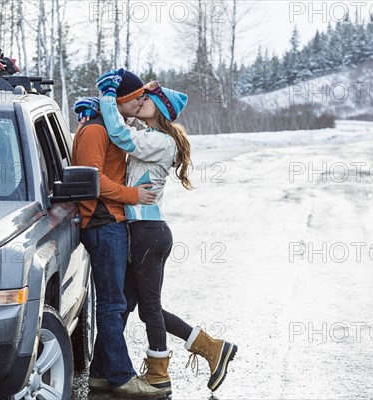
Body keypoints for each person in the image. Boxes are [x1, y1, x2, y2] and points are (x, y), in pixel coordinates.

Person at [95, 68, 238, 395]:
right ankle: (103, 368)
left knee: (149, 308)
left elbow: (120, 135)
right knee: (127, 304)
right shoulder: (152, 135)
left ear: (159, 108)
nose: (140, 100)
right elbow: (122, 124)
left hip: (149, 233)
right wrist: (98, 107)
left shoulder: (159, 142)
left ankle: (163, 371)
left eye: (146, 98)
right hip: (145, 231)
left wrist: (105, 95)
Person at [71, 70, 168, 398]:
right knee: (113, 304)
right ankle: (122, 377)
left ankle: (100, 373)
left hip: (113, 223)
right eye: (137, 97)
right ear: (122, 100)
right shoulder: (95, 130)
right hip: (101, 224)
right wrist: (133, 195)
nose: (142, 101)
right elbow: (92, 180)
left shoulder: (109, 123)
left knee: (122, 301)